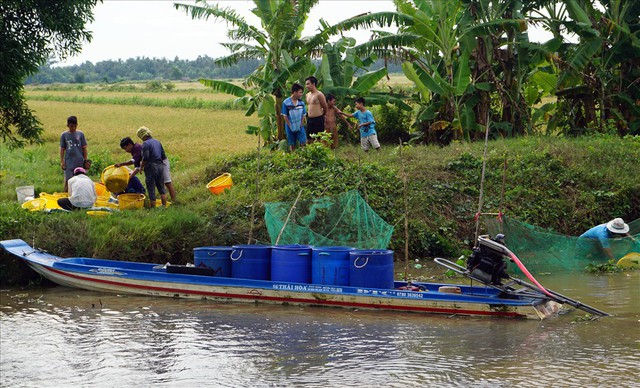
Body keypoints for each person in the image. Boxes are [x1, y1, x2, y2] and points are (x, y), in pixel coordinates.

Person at [136, 126, 167, 208]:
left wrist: (141, 167)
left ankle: (153, 209)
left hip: (151, 167)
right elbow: (163, 156)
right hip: (160, 166)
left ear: (143, 136)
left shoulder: (145, 144)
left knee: (151, 188)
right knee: (161, 188)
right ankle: (164, 206)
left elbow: (145, 157)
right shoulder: (158, 142)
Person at [60, 115, 88, 191]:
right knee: (68, 180)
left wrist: (85, 160)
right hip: (69, 162)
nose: (73, 128)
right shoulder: (64, 135)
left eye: (74, 126)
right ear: (67, 125)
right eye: (71, 126)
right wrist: (62, 161)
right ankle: (67, 195)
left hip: (79, 161)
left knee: (80, 180)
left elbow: (84, 148)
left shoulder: (80, 134)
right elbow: (62, 149)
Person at [282, 83, 307, 151]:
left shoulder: (301, 103)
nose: (301, 94)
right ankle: (294, 158)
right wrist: (290, 126)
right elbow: (285, 116)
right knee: (292, 143)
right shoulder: (286, 103)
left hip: (299, 126)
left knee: (303, 142)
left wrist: (301, 124)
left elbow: (303, 115)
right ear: (295, 92)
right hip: (290, 126)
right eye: (300, 92)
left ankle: (304, 157)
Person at [305, 76, 328, 143]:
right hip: (309, 119)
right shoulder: (307, 95)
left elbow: (325, 106)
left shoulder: (319, 94)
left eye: (308, 84)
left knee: (318, 138)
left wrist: (323, 115)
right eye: (306, 84)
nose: (306, 86)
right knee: (309, 139)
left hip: (318, 119)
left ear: (313, 84)